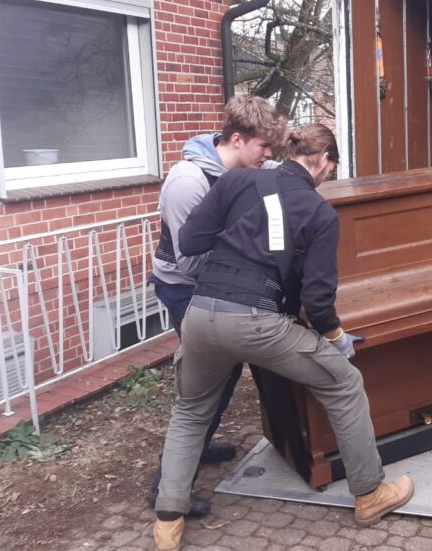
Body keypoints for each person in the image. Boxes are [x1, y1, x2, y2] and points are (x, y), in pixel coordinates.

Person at [152, 125, 414, 550]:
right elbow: (318, 299)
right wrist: (337, 338)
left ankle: (167, 522)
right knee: (344, 383)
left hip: (201, 314)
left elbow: (191, 239)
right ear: (325, 160)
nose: (329, 175)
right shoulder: (318, 211)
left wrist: (239, 242)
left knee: (190, 410)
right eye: (332, 167)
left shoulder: (236, 180)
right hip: (257, 319)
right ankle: (370, 494)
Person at [148, 95, 286, 516]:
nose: (268, 158)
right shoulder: (189, 182)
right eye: (264, 148)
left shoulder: (244, 171)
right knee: (202, 386)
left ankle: (199, 446)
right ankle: (165, 488)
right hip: (185, 289)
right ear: (238, 139)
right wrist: (250, 255)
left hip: (220, 285)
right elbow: (190, 260)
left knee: (222, 378)